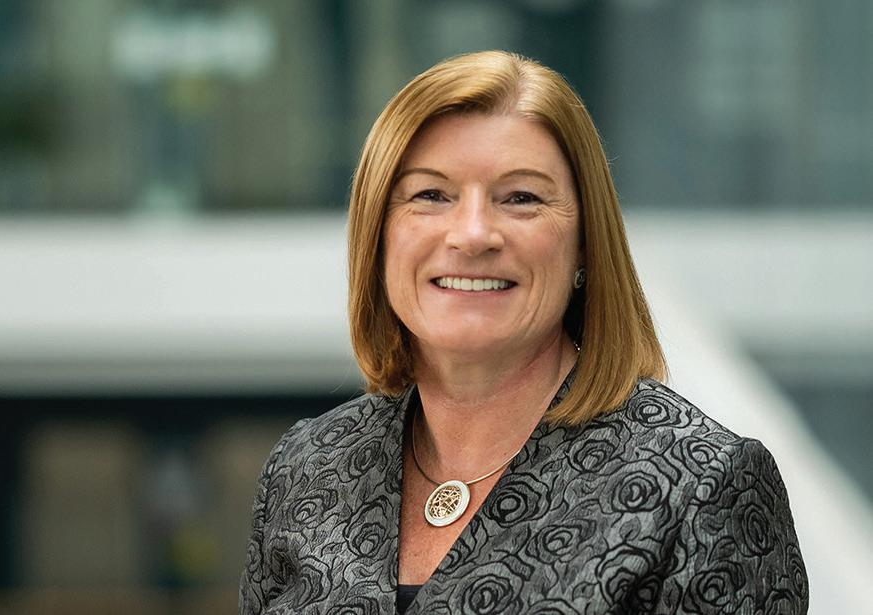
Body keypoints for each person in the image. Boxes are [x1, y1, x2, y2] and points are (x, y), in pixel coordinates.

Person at [240, 51, 807, 614]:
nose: (472, 235)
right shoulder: (307, 466)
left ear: (585, 244)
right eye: (431, 195)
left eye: (521, 198)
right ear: (378, 235)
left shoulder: (701, 485)